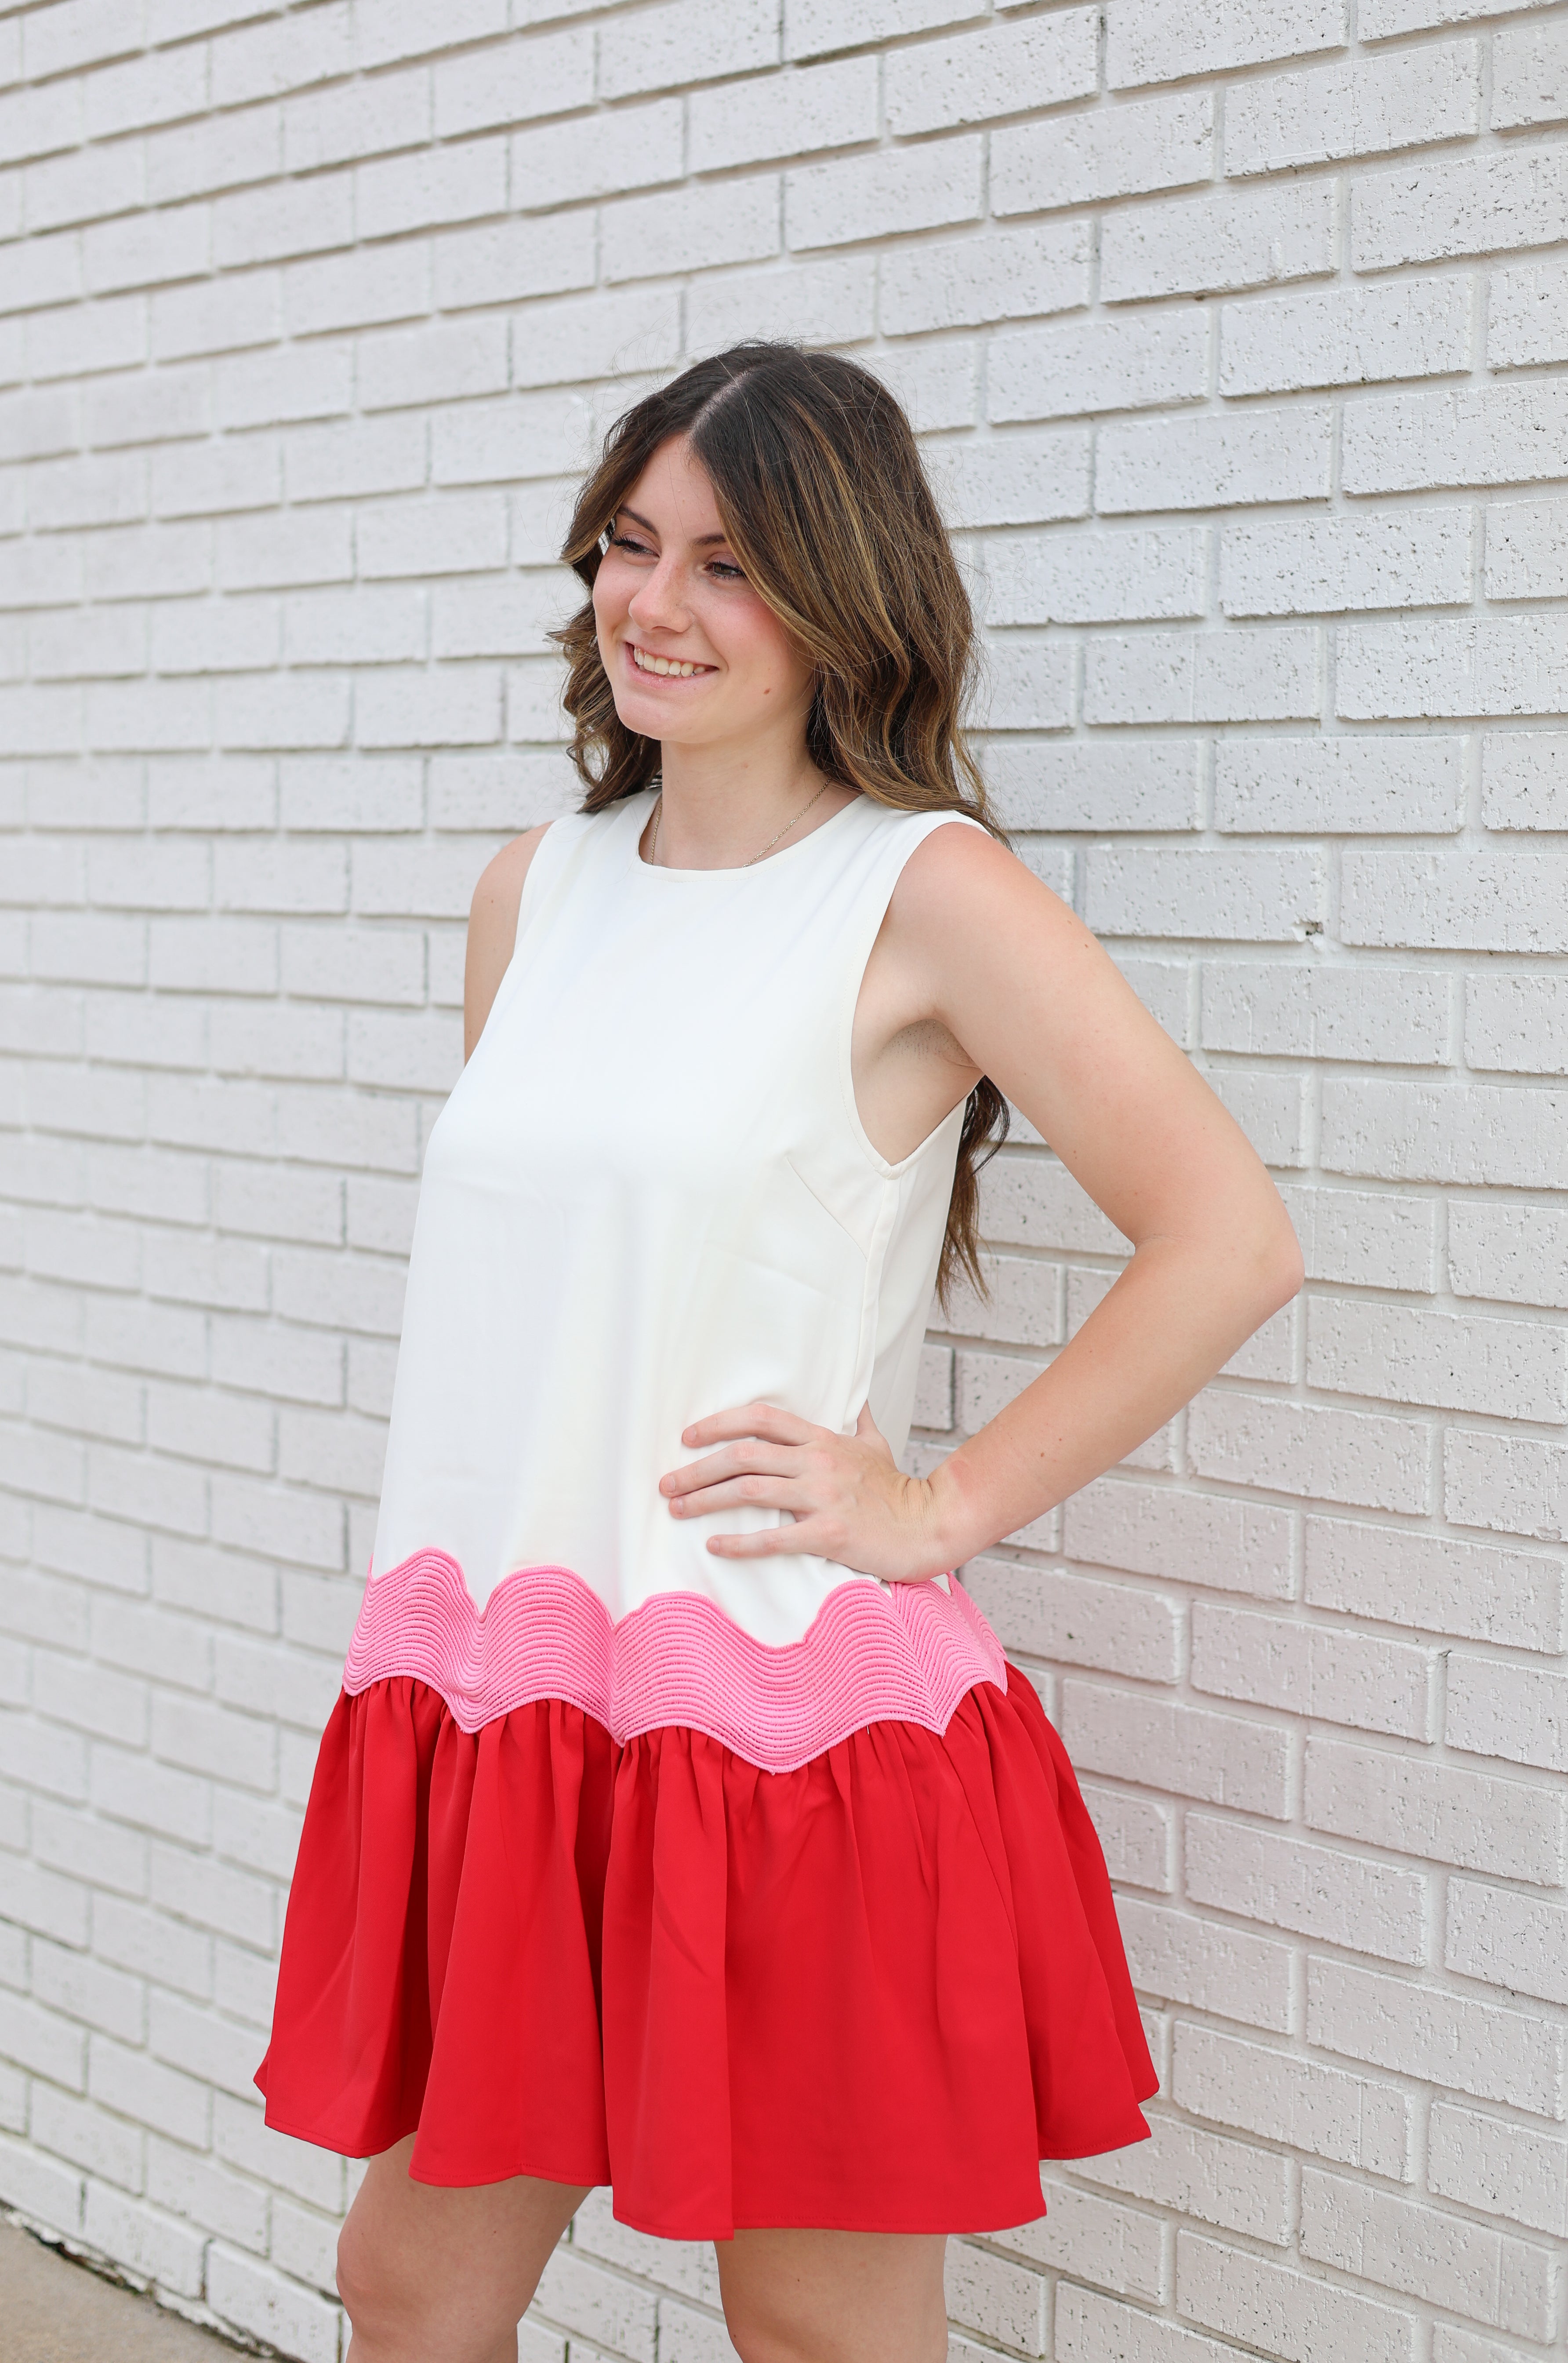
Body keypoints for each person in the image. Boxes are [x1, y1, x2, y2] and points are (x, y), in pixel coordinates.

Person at [254, 341, 1303, 2363]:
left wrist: (943, 1502)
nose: (654, 604)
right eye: (629, 547)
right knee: (408, 2284)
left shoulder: (925, 893)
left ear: (842, 595)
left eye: (727, 563)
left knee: (815, 2328)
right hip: (517, 1701)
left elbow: (1229, 1239)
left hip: (776, 1727)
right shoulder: (530, 895)